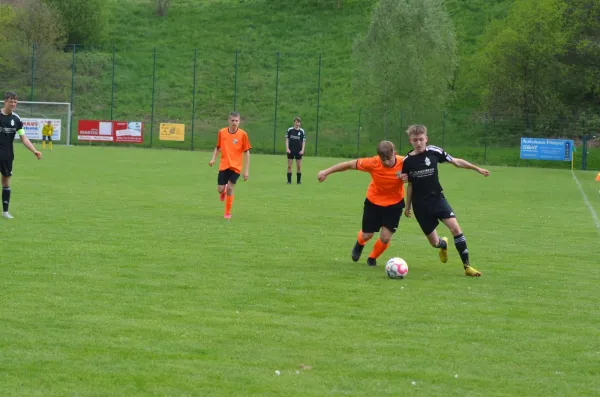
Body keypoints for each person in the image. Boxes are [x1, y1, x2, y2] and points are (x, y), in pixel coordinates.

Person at [401, 124, 489, 277]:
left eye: (421, 139)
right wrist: (407, 206)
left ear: (426, 139)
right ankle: (443, 244)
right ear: (411, 141)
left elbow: (456, 162)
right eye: (415, 140)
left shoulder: (435, 151)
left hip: (437, 199)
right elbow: (410, 185)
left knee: (455, 228)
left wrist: (477, 169)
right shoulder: (407, 161)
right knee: (434, 243)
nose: (419, 143)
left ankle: (467, 266)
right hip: (420, 205)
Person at [317, 140, 405, 266]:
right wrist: (326, 172)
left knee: (385, 238)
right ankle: (360, 244)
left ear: (394, 153)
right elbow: (348, 165)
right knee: (366, 235)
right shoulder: (372, 163)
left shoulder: (405, 163)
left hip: (394, 204)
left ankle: (372, 258)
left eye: (389, 159)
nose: (386, 163)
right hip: (373, 202)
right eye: (383, 160)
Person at [0, 91, 42, 219]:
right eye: (10, 101)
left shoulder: (16, 120)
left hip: (7, 155)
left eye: (15, 102)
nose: (13, 104)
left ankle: (5, 212)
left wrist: (34, 151)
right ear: (5, 101)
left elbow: (24, 138)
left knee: (6, 181)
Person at [208, 111, 251, 219]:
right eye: (232, 120)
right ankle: (224, 190)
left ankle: (227, 213)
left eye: (236, 121)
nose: (234, 123)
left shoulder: (243, 134)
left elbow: (247, 152)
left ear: (239, 121)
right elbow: (218, 147)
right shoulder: (222, 132)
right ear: (229, 121)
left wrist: (246, 171)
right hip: (224, 165)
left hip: (236, 166)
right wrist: (213, 159)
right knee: (220, 189)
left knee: (231, 188)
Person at [285, 116, 306, 184]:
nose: (297, 123)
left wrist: (302, 150)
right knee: (289, 166)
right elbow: (287, 139)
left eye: (298, 122)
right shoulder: (290, 130)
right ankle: (289, 181)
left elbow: (303, 141)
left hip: (298, 151)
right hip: (291, 150)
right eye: (296, 122)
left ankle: (298, 181)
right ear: (294, 122)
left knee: (299, 166)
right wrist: (287, 148)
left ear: (300, 123)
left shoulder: (302, 131)